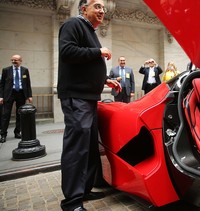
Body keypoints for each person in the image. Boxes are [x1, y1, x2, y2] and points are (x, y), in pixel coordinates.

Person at [57, 0, 121, 210]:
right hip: (77, 98)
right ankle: (72, 202)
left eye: (103, 7)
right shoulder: (73, 24)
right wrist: (98, 52)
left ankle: (84, 190)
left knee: (89, 147)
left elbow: (83, 67)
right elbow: (67, 52)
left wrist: (104, 80)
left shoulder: (88, 30)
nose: (102, 10)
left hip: (89, 98)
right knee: (77, 149)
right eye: (97, 6)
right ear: (84, 9)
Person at [0, 55, 33, 143]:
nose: (14, 61)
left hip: (21, 94)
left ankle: (17, 132)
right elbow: (2, 85)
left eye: (16, 60)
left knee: (20, 114)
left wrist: (29, 96)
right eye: (12, 60)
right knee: (5, 115)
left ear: (20, 61)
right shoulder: (6, 70)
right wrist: (1, 96)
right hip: (9, 94)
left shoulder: (25, 70)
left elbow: (28, 84)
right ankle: (3, 134)